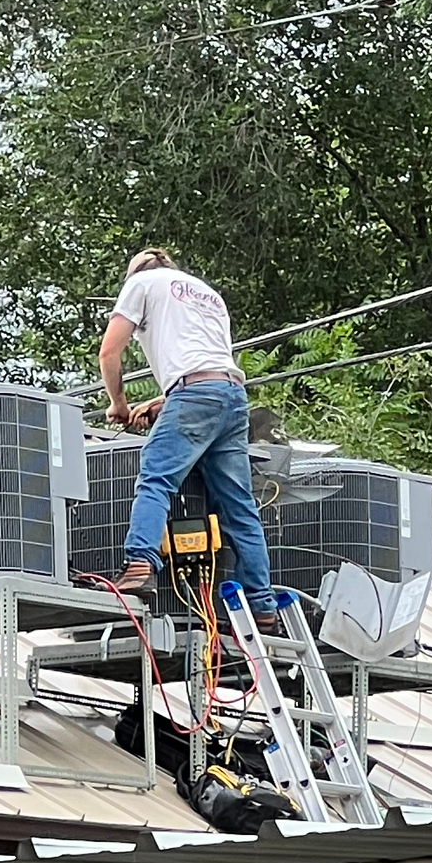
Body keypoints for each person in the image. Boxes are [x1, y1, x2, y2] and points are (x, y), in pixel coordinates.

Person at [87, 249, 280, 627]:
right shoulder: (208, 294)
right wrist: (164, 402)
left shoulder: (139, 284)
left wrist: (119, 404)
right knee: (240, 507)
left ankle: (140, 565)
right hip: (231, 397)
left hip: (194, 395)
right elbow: (208, 362)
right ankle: (262, 604)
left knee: (156, 480)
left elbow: (109, 352)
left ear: (136, 272)